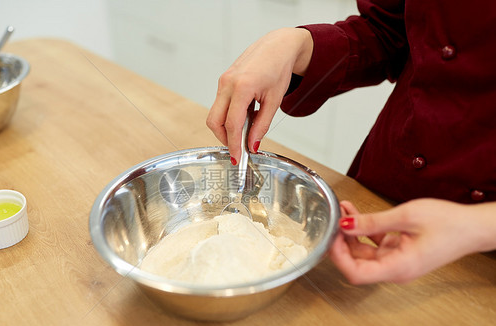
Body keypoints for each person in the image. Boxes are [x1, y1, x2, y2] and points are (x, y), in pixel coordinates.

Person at [206, 0, 496, 284]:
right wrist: (299, 45)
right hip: (383, 190)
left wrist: (477, 226)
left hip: (482, 265)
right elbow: (388, 31)